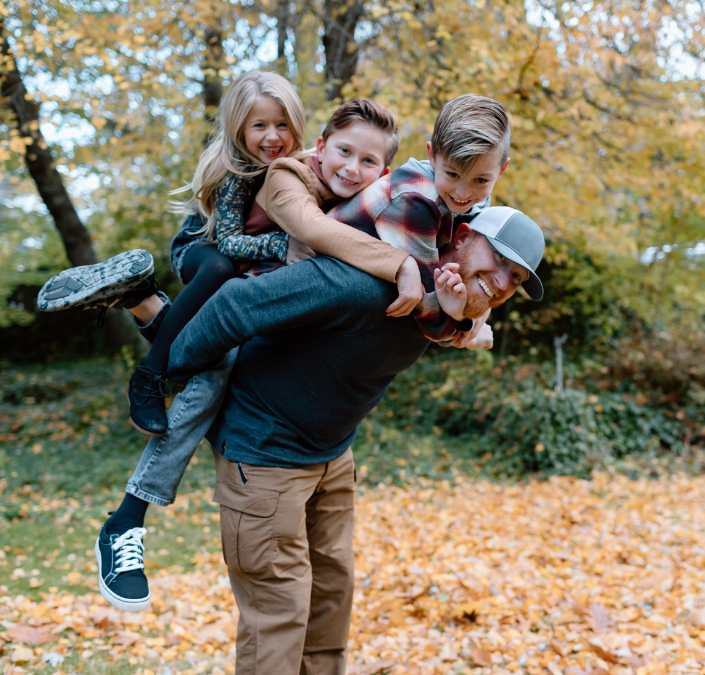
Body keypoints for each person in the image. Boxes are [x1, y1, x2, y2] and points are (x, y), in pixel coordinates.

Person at [85, 99, 442, 612]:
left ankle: (145, 305)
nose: (352, 167)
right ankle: (127, 515)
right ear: (319, 146)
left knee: (215, 369)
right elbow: (304, 229)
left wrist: (467, 315)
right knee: (210, 376)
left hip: (261, 328)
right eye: (344, 152)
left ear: (383, 173)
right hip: (214, 273)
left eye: (368, 161)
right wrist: (397, 264)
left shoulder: (363, 202)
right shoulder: (285, 175)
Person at [165, 204, 546, 675]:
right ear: (462, 236)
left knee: (330, 602)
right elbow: (235, 305)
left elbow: (470, 312)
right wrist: (165, 379)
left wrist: (472, 322)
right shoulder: (366, 283)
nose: (503, 283)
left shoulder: (446, 307)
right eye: (499, 260)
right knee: (278, 617)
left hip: (332, 454)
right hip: (265, 454)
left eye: (516, 278)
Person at [36, 70, 307, 436]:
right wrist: (281, 245)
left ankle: (139, 297)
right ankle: (148, 375)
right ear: (239, 128)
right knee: (221, 268)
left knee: (208, 337)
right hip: (199, 248)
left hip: (243, 259)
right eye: (259, 125)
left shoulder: (299, 168)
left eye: (282, 125)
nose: (273, 136)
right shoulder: (237, 172)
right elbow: (229, 243)